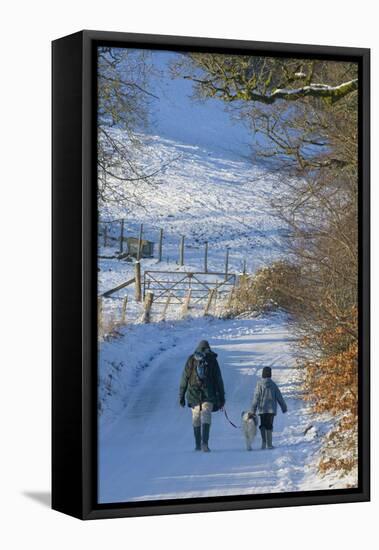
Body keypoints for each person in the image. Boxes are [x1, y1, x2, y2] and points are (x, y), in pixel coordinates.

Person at [179, 340, 225, 452]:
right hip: (208, 394)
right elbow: (218, 380)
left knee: (196, 418)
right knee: (206, 416)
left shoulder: (191, 359)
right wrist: (222, 397)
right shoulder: (212, 360)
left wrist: (181, 395)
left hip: (193, 394)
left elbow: (184, 378)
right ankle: (205, 443)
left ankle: (197, 445)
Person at [251, 366, 287, 450]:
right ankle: (269, 444)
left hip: (262, 408)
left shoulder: (259, 385)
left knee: (262, 424)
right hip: (271, 409)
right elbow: (279, 397)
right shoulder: (274, 385)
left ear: (263, 374)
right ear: (270, 374)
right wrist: (283, 407)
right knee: (269, 425)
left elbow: (256, 397)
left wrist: (253, 409)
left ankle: (263, 443)